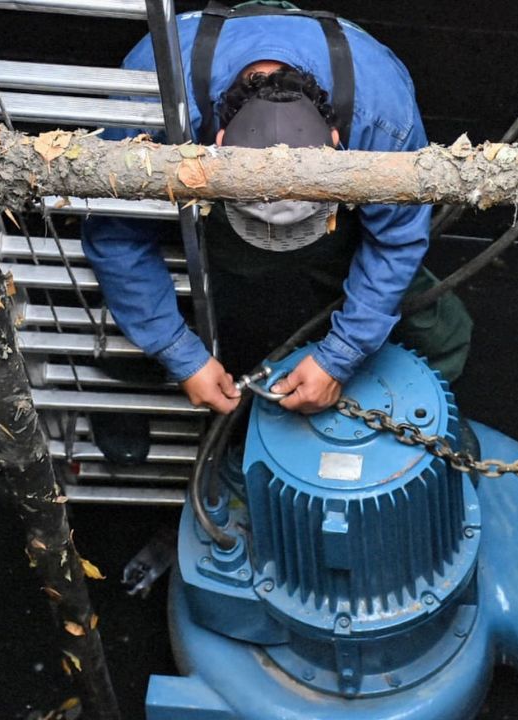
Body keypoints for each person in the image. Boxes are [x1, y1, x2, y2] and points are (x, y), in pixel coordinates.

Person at [82, 3, 472, 426]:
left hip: (345, 220)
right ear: (219, 141)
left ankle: (437, 415)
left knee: (440, 329)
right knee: (202, 309)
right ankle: (135, 380)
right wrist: (178, 352)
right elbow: (116, 233)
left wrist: (342, 356)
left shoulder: (382, 119)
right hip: (217, 227)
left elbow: (396, 240)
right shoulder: (152, 98)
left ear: (337, 141)